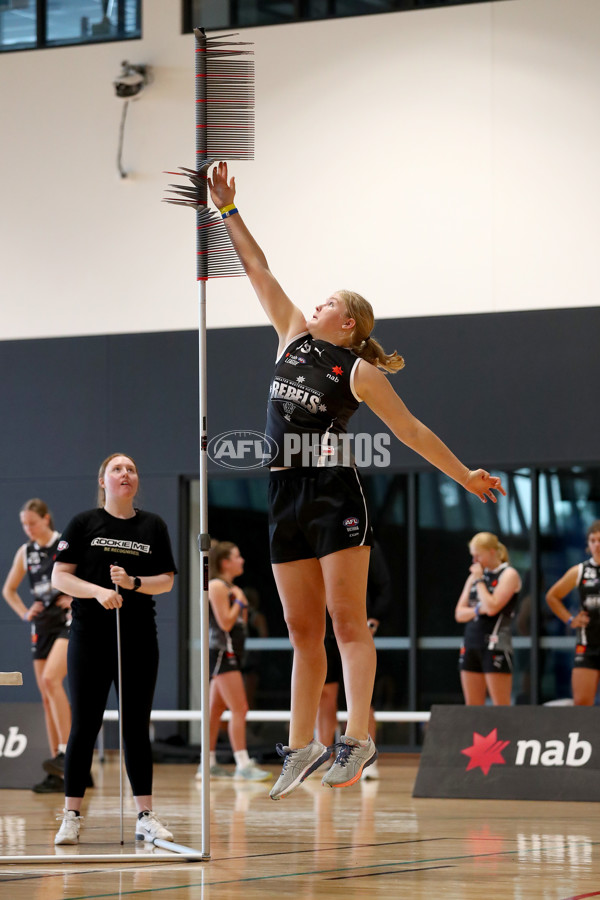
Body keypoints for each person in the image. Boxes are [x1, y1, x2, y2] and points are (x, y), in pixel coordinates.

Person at [208, 161, 505, 801]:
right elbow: (259, 268)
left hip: (333, 495)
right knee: (299, 630)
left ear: (348, 324)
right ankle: (305, 745)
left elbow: (413, 432)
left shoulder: (358, 373)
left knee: (348, 626)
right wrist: (228, 210)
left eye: (328, 302)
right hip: (283, 494)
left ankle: (358, 737)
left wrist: (466, 474)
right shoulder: (290, 337)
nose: (314, 303)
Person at [51, 453, 177, 845]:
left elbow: (167, 581)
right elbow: (60, 577)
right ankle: (71, 815)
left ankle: (145, 815)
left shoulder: (152, 525)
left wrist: (133, 582)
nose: (126, 473)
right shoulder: (83, 523)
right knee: (84, 726)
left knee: (136, 726)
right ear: (104, 480)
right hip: (89, 638)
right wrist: (99, 592)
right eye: (118, 469)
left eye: (132, 469)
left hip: (138, 638)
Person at [2, 499, 73, 793]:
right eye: (23, 524)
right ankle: (58, 767)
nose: (27, 528)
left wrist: (76, 596)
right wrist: (23, 612)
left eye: (32, 522)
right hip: (41, 625)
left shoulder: (63, 544)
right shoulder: (25, 552)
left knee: (51, 680)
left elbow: (84, 576)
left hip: (67, 622)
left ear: (46, 519)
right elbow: (8, 589)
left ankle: (70, 754)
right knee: (46, 695)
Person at [316, 541, 392, 780]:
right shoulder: (315, 544)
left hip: (355, 630)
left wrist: (374, 619)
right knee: (325, 695)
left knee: (362, 696)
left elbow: (384, 585)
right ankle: (325, 756)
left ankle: (364, 758)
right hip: (326, 630)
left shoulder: (364, 544)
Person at [196, 541, 271, 782]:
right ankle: (243, 763)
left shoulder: (230, 587)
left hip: (232, 654)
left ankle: (207, 764)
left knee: (215, 711)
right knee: (240, 708)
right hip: (222, 653)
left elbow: (242, 622)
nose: (242, 561)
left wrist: (241, 603)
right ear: (225, 562)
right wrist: (238, 601)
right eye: (237, 557)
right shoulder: (218, 586)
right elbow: (225, 623)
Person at [455, 532, 521, 705]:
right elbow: (459, 613)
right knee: (473, 708)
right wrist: (478, 609)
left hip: (495, 644)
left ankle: (506, 734)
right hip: (471, 642)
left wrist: (479, 582)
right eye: (472, 556)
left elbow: (492, 607)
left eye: (478, 555)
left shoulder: (508, 574)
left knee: (500, 708)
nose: (474, 561)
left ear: (492, 552)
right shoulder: (474, 577)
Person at [546, 520, 600, 705]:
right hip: (588, 644)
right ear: (588, 543)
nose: (597, 544)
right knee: (582, 703)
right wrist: (570, 620)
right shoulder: (580, 571)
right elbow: (552, 597)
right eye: (593, 540)